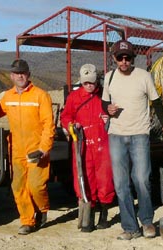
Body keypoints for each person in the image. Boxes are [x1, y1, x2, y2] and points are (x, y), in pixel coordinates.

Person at [101, 40, 163, 240]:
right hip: (116, 135)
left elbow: (156, 102)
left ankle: (147, 222)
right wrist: (107, 109)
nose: (124, 61)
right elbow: (104, 103)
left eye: (127, 57)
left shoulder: (144, 77)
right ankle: (130, 227)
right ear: (114, 59)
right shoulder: (109, 77)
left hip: (139, 134)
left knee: (142, 179)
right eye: (120, 58)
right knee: (121, 183)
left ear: (132, 58)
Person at [0, 59, 55, 235]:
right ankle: (27, 221)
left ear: (28, 74)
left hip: (36, 150)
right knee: (18, 186)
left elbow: (48, 124)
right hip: (17, 150)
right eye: (16, 73)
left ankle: (42, 208)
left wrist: (43, 148)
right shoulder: (8, 97)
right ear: (11, 76)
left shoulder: (41, 95)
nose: (20, 76)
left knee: (36, 186)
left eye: (23, 73)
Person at [60, 64, 115, 232]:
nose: (89, 86)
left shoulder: (105, 97)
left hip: (102, 143)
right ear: (81, 82)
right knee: (85, 179)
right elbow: (65, 116)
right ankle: (89, 217)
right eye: (86, 83)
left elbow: (115, 112)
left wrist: (110, 117)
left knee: (105, 179)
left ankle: (104, 214)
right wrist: (71, 125)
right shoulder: (74, 97)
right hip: (82, 144)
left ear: (97, 81)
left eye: (92, 82)